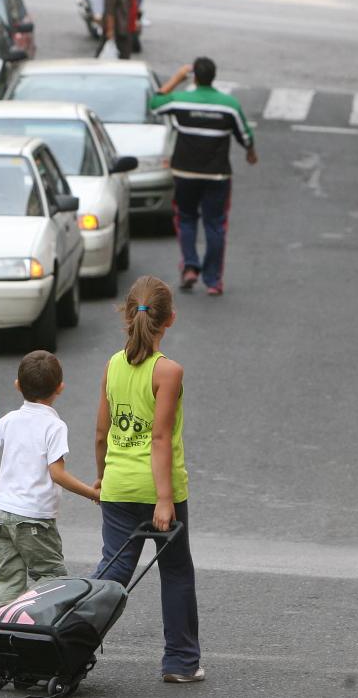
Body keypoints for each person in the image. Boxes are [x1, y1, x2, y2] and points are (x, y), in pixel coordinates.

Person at [92, 275, 202, 683]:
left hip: (118, 487)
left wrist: (102, 479)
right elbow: (159, 437)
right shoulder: (168, 371)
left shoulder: (112, 365)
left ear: (126, 315)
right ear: (170, 319)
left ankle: (68, 642)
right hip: (159, 491)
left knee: (112, 575)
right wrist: (164, 498)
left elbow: (102, 433)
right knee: (175, 573)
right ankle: (180, 663)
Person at [0, 350, 99, 610]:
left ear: (18, 385)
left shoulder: (10, 419)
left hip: (3, 514)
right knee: (51, 578)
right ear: (60, 388)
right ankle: (36, 629)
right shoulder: (54, 426)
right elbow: (57, 473)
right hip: (34, 518)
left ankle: (2, 637)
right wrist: (92, 493)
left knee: (8, 579)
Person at [149, 57, 257, 296]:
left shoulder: (181, 100)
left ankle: (190, 266)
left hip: (184, 173)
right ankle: (213, 280)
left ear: (194, 77)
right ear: (214, 76)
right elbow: (245, 136)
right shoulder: (228, 105)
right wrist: (250, 151)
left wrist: (176, 78)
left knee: (186, 219)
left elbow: (155, 104)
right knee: (215, 225)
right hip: (217, 176)